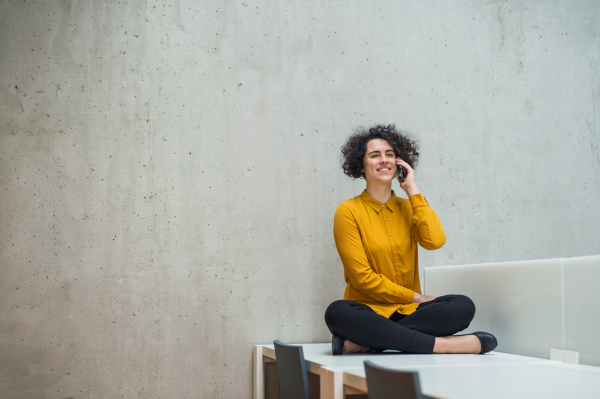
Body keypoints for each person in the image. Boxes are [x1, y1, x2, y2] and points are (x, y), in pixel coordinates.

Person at [324, 125, 497, 355]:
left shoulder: (410, 207)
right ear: (361, 165)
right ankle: (446, 346)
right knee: (337, 312)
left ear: (399, 163)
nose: (384, 160)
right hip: (368, 313)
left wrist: (413, 190)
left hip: (409, 311)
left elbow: (435, 241)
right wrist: (418, 297)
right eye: (374, 155)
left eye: (390, 155)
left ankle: (364, 343)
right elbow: (362, 278)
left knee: (462, 306)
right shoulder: (347, 211)